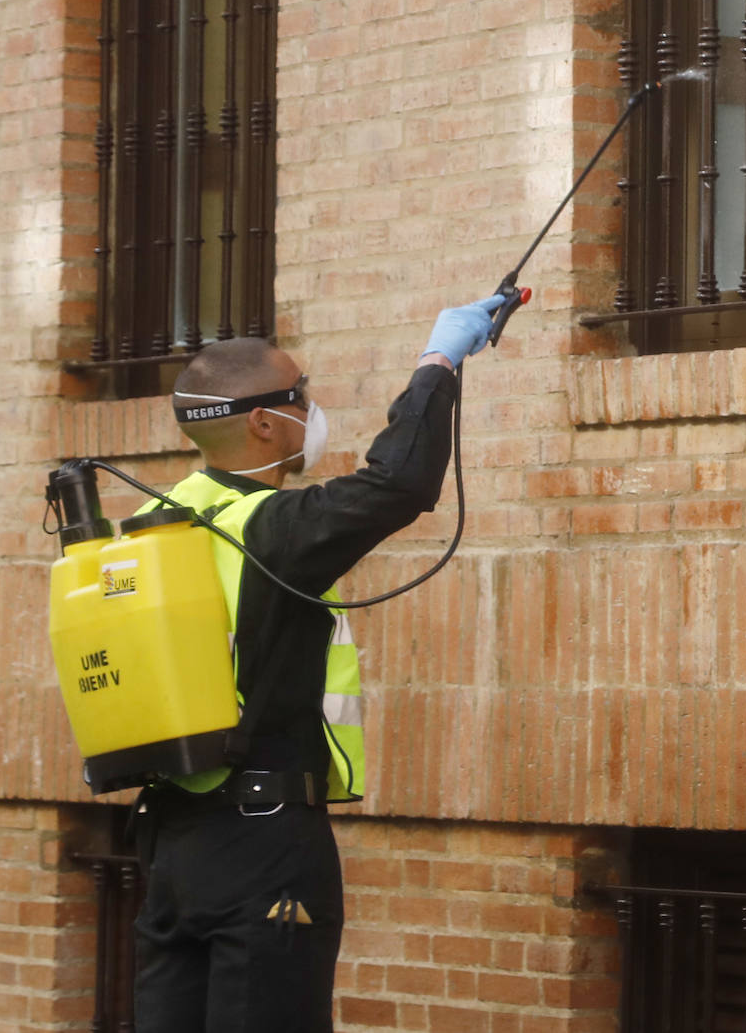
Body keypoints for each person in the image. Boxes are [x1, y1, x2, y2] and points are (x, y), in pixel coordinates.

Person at [131, 296, 504, 1033]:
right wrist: (438, 363)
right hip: (264, 842)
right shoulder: (265, 529)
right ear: (266, 421)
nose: (314, 408)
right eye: (303, 394)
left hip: (171, 842)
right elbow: (396, 485)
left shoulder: (152, 525)